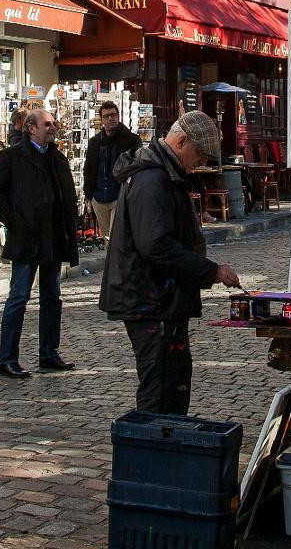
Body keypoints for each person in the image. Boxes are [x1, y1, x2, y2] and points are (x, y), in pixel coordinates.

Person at [99, 111, 241, 414]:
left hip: (159, 301)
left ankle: (166, 436)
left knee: (171, 383)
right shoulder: (152, 179)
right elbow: (156, 246)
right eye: (200, 154)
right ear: (181, 141)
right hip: (150, 301)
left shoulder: (163, 173)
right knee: (160, 390)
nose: (200, 162)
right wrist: (211, 271)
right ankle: (155, 441)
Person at [0, 108, 78, 379]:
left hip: (53, 238)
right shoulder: (13, 157)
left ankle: (49, 352)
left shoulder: (57, 158)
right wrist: (15, 220)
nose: (53, 127)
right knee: (19, 297)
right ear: (31, 129)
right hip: (27, 238)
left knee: (52, 297)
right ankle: (6, 359)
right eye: (47, 124)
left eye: (53, 123)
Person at [83, 100, 142, 246]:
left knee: (117, 238)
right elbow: (89, 168)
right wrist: (89, 194)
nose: (111, 118)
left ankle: (117, 261)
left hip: (120, 195)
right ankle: (111, 261)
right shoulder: (95, 142)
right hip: (99, 196)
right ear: (102, 119)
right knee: (108, 239)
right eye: (106, 116)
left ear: (118, 116)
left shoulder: (131, 140)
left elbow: (137, 167)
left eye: (113, 115)